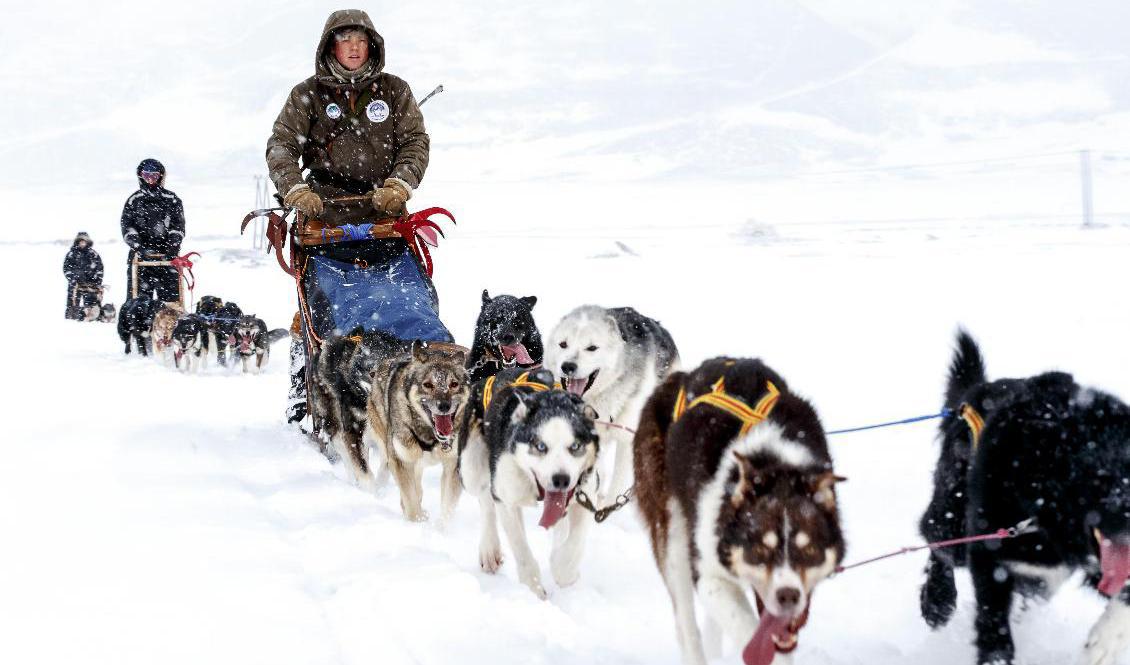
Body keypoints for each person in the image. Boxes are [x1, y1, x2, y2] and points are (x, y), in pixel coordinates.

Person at [267, 9, 451, 423]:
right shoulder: (307, 96)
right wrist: (297, 190)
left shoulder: (394, 92)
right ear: (330, 45)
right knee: (324, 305)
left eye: (360, 39)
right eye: (344, 38)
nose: (353, 47)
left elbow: (415, 143)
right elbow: (281, 145)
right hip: (323, 219)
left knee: (410, 297)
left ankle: (422, 373)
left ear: (372, 45)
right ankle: (310, 385)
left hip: (385, 216)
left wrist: (400, 185)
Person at [120, 158, 185, 303]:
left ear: (160, 177)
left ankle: (171, 325)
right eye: (146, 176)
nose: (150, 180)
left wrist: (173, 245)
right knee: (138, 305)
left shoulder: (172, 199)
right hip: (140, 258)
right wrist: (139, 246)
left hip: (168, 257)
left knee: (172, 305)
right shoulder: (134, 200)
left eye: (154, 176)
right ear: (141, 176)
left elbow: (178, 226)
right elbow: (127, 227)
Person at [62, 232, 104, 320]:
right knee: (72, 303)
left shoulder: (93, 254)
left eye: (84, 241)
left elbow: (99, 269)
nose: (82, 243)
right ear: (77, 242)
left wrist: (97, 281)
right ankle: (72, 317)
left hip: (90, 284)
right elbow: (66, 269)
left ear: (88, 242)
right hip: (75, 283)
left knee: (91, 303)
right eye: (80, 241)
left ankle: (91, 317)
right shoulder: (71, 254)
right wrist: (73, 278)